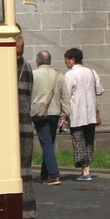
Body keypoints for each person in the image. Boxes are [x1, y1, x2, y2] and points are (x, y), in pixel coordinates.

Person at [0, 33, 38, 219]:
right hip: (26, 127)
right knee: (25, 177)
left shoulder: (3, 67)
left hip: (8, 128)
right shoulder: (27, 66)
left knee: (8, 179)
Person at [30, 50, 69, 185]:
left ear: (38, 61)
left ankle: (54, 174)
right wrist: (65, 115)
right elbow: (65, 98)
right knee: (49, 143)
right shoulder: (59, 75)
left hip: (39, 113)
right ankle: (44, 174)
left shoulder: (33, 75)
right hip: (55, 113)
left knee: (46, 144)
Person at [64, 48, 103, 180]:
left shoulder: (70, 75)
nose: (66, 63)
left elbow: (66, 95)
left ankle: (85, 171)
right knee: (88, 142)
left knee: (78, 141)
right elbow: (100, 90)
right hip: (91, 112)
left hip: (77, 113)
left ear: (72, 60)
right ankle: (88, 168)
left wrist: (63, 114)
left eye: (66, 60)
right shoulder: (92, 72)